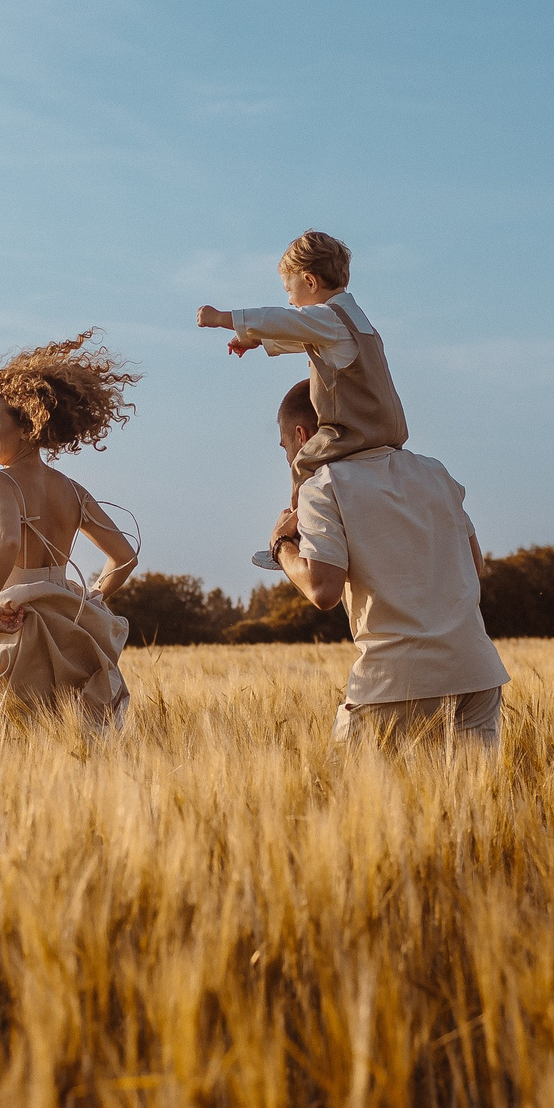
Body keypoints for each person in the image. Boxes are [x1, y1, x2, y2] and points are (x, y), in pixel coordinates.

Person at [267, 380, 509, 750]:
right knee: (468, 806)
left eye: (285, 447)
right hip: (476, 675)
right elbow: (474, 565)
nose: (287, 458)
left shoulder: (324, 486)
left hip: (392, 681)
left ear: (302, 435)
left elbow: (323, 590)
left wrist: (282, 545)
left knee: (341, 799)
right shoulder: (435, 472)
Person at [0, 331, 143, 735]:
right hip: (72, 628)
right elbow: (125, 557)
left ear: (27, 428)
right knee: (76, 746)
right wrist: (90, 598)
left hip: (15, 626)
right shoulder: (72, 490)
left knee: (3, 745)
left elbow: (8, 540)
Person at [193, 229, 409, 567]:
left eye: (288, 291)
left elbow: (284, 321)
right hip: (389, 430)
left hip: (354, 431)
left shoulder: (326, 317)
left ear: (309, 281)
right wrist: (258, 342)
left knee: (304, 462)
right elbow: (299, 336)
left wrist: (224, 319)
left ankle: (298, 537)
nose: (290, 301)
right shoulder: (354, 321)